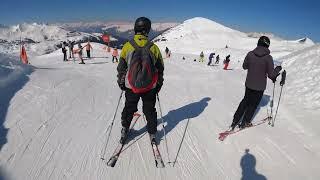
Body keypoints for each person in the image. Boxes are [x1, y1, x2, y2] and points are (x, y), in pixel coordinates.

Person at [117, 17, 164, 144]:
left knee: (129, 108)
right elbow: (160, 69)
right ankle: (153, 133)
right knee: (149, 110)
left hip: (131, 87)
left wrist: (121, 82)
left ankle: (125, 129)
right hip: (150, 87)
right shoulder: (154, 48)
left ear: (135, 28)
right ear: (147, 30)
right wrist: (158, 84)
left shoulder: (127, 46)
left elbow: (121, 67)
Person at [230, 36, 282, 130]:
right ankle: (245, 122)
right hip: (260, 86)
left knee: (245, 101)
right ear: (267, 45)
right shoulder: (268, 58)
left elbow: (244, 66)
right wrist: (278, 69)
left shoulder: (250, 54)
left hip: (249, 83)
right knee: (253, 104)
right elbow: (271, 75)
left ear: (258, 43)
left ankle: (235, 121)